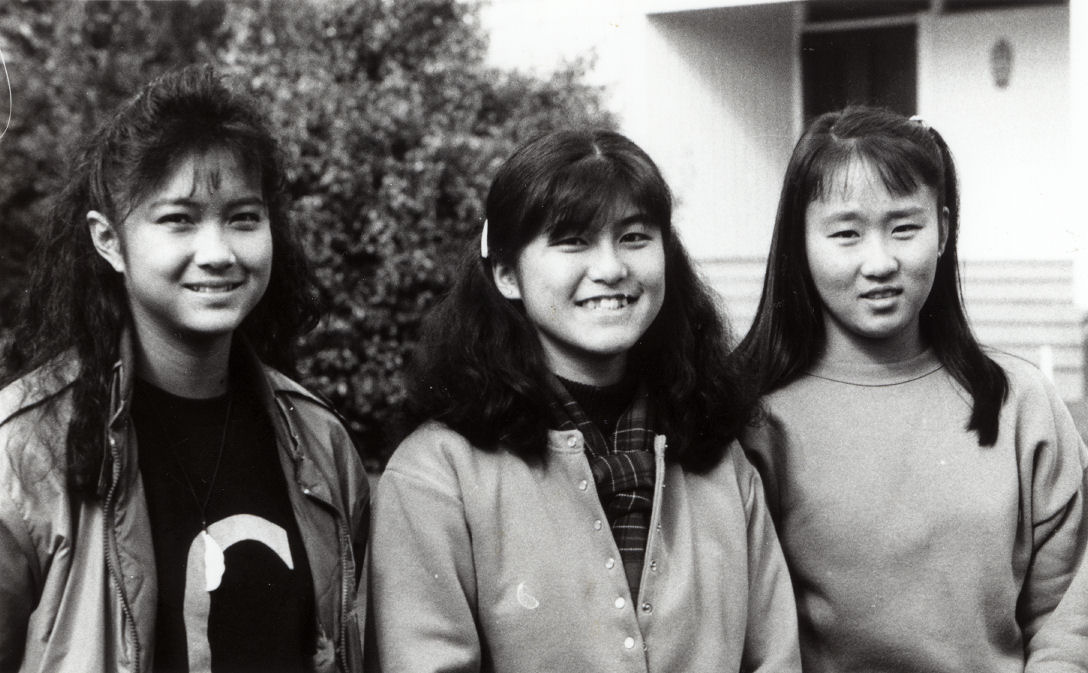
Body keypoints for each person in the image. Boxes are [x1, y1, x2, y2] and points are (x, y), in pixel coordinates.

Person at [367, 129, 801, 672]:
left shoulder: (722, 463)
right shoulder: (436, 476)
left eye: (635, 237)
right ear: (507, 274)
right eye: (573, 241)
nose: (612, 268)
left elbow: (775, 660)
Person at [0, 65, 369, 673]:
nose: (218, 253)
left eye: (244, 218)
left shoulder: (320, 442)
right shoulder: (25, 449)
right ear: (108, 241)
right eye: (179, 219)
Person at [736, 105, 1088, 672]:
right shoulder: (756, 420)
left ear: (943, 229)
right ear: (800, 240)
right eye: (846, 234)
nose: (880, 262)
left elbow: (1066, 617)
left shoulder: (1020, 403)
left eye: (905, 228)